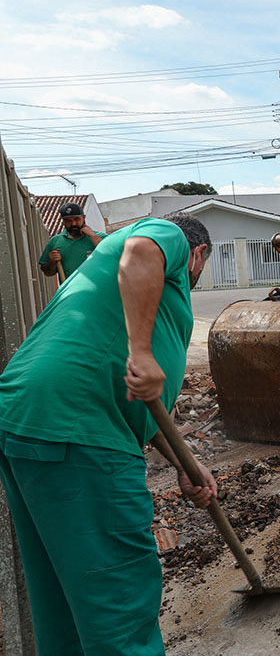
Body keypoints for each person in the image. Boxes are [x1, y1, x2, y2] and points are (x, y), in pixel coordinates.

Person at [0, 212, 218, 655]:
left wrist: (184, 464)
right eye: (200, 268)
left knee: (65, 604)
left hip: (30, 419)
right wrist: (142, 351)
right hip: (80, 430)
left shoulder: (98, 275)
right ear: (199, 254)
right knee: (118, 601)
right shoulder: (167, 235)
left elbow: (136, 399)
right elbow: (143, 251)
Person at [39, 201, 108, 280]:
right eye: (68, 220)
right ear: (63, 221)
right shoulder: (55, 241)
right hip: (71, 290)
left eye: (77, 219)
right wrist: (52, 262)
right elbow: (48, 273)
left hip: (98, 289)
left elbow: (111, 254)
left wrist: (92, 235)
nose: (73, 224)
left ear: (84, 217)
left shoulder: (100, 237)